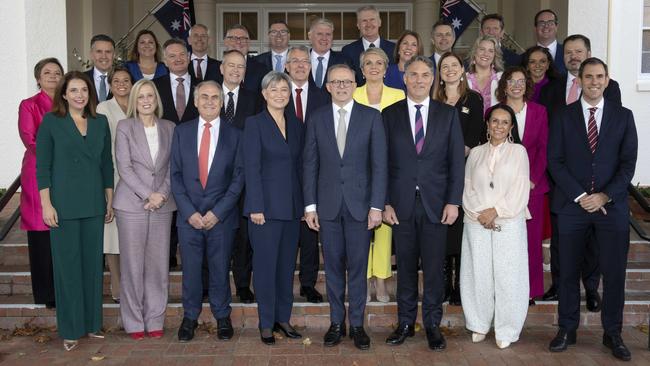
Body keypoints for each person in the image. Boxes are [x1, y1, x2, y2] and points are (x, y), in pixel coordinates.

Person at [547, 58, 637, 362]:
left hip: (611, 209)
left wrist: (605, 196)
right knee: (568, 271)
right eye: (589, 77)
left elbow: (627, 165)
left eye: (600, 76)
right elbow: (554, 161)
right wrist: (582, 195)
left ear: (607, 80)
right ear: (581, 80)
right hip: (573, 207)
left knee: (614, 274)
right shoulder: (562, 116)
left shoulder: (624, 117)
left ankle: (613, 333)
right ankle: (566, 329)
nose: (594, 82)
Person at [382, 56, 464, 351]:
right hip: (401, 205)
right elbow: (383, 164)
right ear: (404, 78)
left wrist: (453, 202)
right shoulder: (389, 115)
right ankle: (405, 322)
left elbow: (456, 162)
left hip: (436, 205)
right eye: (413, 74)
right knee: (404, 268)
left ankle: (432, 324)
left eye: (425, 75)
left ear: (434, 79)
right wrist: (385, 202)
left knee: (433, 268)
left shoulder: (447, 114)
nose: (419, 79)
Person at [303, 64, 387, 350]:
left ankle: (358, 325)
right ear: (327, 86)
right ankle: (336, 323)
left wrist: (377, 206)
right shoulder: (316, 118)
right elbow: (310, 164)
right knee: (334, 269)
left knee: (358, 268)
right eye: (335, 82)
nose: (341, 86)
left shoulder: (371, 117)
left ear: (355, 84)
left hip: (360, 207)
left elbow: (379, 165)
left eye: (347, 82)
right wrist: (310, 206)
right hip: (326, 207)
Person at [539, 34, 622, 305]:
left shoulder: (611, 88)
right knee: (562, 241)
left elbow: (612, 136)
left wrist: (603, 189)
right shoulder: (552, 88)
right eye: (569, 52)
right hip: (563, 179)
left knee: (594, 243)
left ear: (588, 53)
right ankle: (560, 286)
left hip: (599, 182)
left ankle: (591, 287)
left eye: (579, 51)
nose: (573, 56)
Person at [36, 71, 114, 351]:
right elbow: (42, 167)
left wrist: (109, 198)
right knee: (68, 268)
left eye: (84, 90)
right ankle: (70, 329)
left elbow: (107, 164)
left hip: (94, 203)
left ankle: (92, 324)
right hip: (64, 205)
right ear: (64, 95)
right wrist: (47, 205)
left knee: (92, 266)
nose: (80, 95)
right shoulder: (51, 122)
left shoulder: (100, 121)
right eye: (74, 90)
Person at [171, 80, 244, 342]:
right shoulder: (182, 132)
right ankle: (189, 317)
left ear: (222, 102)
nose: (210, 102)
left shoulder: (235, 135)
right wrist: (189, 211)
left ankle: (222, 316)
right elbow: (175, 175)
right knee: (190, 270)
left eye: (215, 97)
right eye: (204, 97)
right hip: (188, 217)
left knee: (220, 268)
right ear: (195, 101)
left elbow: (238, 178)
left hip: (220, 218)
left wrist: (219, 212)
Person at [460, 104, 531, 350]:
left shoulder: (518, 152)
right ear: (487, 125)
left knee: (508, 276)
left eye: (504, 122)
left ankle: (507, 328)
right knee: (477, 274)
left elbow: (520, 189)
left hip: (508, 221)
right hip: (476, 221)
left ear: (511, 127)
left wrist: (496, 211)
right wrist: (480, 213)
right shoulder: (476, 153)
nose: (499, 126)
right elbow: (467, 188)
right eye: (494, 121)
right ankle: (479, 323)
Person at [243, 71, 304, 345]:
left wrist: (305, 205)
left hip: (291, 209)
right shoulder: (254, 124)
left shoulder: (297, 123)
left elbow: (301, 167)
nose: (280, 94)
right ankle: (266, 322)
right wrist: (255, 205)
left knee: (285, 267)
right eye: (274, 90)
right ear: (265, 94)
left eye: (284, 90)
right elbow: (251, 168)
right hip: (264, 211)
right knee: (266, 268)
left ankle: (283, 319)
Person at [113, 78, 176, 340]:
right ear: (134, 101)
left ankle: (155, 318)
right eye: (141, 97)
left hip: (162, 205)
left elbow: (175, 166)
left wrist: (159, 195)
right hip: (131, 204)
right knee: (132, 265)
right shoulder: (125, 126)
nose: (146, 100)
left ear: (157, 99)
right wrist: (147, 194)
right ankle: (133, 320)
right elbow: (124, 166)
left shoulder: (170, 127)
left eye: (150, 96)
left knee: (158, 265)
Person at [432, 52, 485, 305]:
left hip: (465, 172)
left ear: (463, 70)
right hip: (436, 175)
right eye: (445, 66)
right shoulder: (434, 99)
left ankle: (460, 286)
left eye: (454, 65)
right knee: (442, 229)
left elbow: (473, 137)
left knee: (461, 230)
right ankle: (443, 283)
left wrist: (452, 154)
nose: (450, 69)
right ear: (439, 72)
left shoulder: (472, 99)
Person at [352, 47, 404, 303]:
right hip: (357, 170)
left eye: (379, 63)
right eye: (368, 63)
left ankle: (381, 280)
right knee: (360, 226)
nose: (374, 67)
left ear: (386, 68)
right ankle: (362, 277)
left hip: (389, 167)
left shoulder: (398, 95)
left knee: (384, 226)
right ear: (361, 70)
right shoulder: (351, 93)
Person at [495, 67, 549, 303]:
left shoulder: (539, 111)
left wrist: (532, 180)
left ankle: (529, 291)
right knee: (503, 241)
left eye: (521, 81)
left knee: (530, 241)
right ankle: (503, 290)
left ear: (527, 85)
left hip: (532, 188)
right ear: (504, 85)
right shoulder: (495, 112)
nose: (516, 85)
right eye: (511, 80)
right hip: (501, 188)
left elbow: (544, 149)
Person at [285, 45, 330, 303]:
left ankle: (308, 283)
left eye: (305, 61)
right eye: (295, 61)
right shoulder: (277, 94)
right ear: (287, 66)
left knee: (311, 233)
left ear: (311, 66)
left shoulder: (322, 96)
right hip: (286, 175)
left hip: (317, 172)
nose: (300, 65)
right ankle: (285, 278)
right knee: (290, 231)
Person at [18, 57, 64, 310]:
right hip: (38, 173)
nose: (53, 77)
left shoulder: (68, 104)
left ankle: (63, 287)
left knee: (62, 232)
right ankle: (46, 292)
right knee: (41, 232)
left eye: (58, 73)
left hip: (67, 176)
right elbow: (30, 139)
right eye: (47, 73)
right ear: (38, 78)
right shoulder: (29, 105)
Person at [220, 49, 261, 303]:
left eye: (241, 67)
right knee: (217, 234)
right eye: (231, 65)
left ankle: (243, 284)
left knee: (244, 237)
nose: (236, 70)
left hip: (245, 177)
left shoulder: (255, 99)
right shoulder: (209, 95)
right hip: (213, 179)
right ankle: (212, 283)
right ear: (222, 68)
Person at [96, 66, 134, 303]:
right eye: (116, 80)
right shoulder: (103, 108)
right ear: (109, 84)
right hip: (112, 175)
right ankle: (117, 283)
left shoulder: (139, 103)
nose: (121, 84)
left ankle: (132, 283)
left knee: (132, 234)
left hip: (137, 178)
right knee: (112, 234)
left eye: (126, 80)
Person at [342, 5, 396, 84]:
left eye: (372, 20)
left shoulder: (393, 49)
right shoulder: (348, 51)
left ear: (379, 22)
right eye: (364, 21)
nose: (368, 24)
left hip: (389, 95)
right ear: (358, 25)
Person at [307, 18, 353, 89]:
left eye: (328, 34)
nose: (324, 38)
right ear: (310, 36)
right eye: (319, 34)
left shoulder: (344, 60)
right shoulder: (301, 60)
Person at [223, 24, 267, 93]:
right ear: (226, 42)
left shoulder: (262, 70)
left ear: (249, 43)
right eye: (233, 38)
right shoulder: (215, 70)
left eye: (243, 38)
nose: (238, 42)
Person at [466, 35, 504, 114]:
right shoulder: (463, 79)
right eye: (482, 49)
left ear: (494, 56)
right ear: (474, 53)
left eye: (490, 51)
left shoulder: (502, 78)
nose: (486, 54)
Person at [534, 9, 566, 73]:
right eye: (541, 23)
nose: (546, 26)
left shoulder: (567, 53)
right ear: (535, 28)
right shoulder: (524, 57)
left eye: (550, 23)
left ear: (556, 27)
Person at [85, 34, 114, 102]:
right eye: (99, 51)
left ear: (114, 55)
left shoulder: (123, 81)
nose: (104, 56)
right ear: (91, 55)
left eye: (108, 52)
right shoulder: (82, 78)